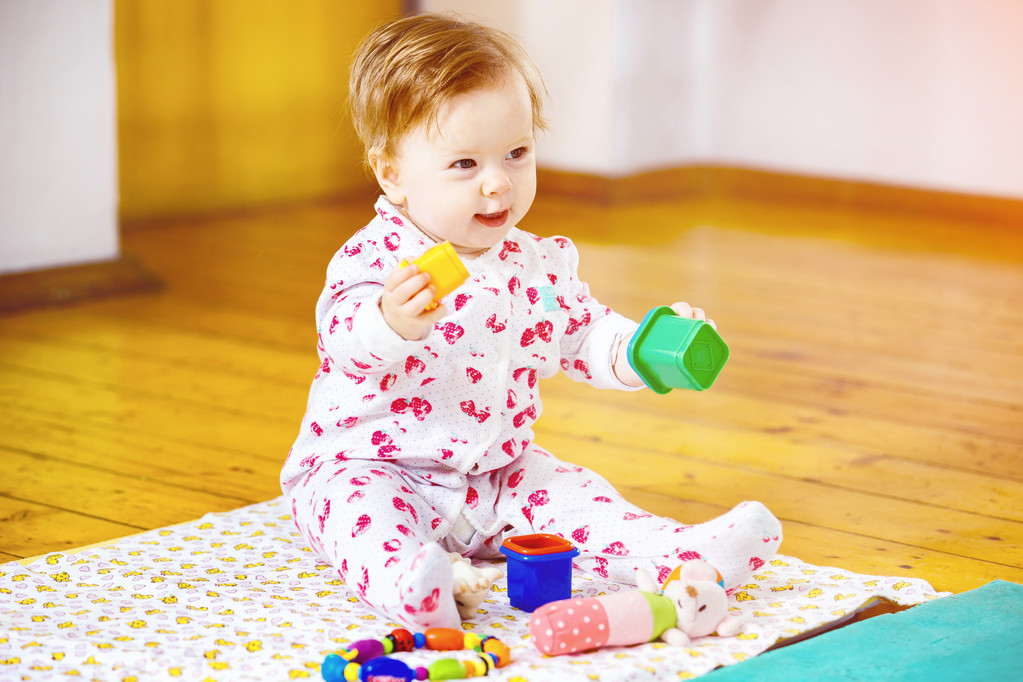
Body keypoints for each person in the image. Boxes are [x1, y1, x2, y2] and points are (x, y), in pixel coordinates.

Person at [280, 12, 782, 629]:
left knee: (581, 495)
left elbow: (584, 333)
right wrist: (387, 321)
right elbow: (344, 341)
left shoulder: (536, 263)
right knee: (359, 520)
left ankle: (686, 555)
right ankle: (411, 583)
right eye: (464, 164)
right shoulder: (377, 260)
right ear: (393, 174)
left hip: (497, 474)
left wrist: (642, 347)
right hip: (369, 466)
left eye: (517, 153)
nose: (498, 184)